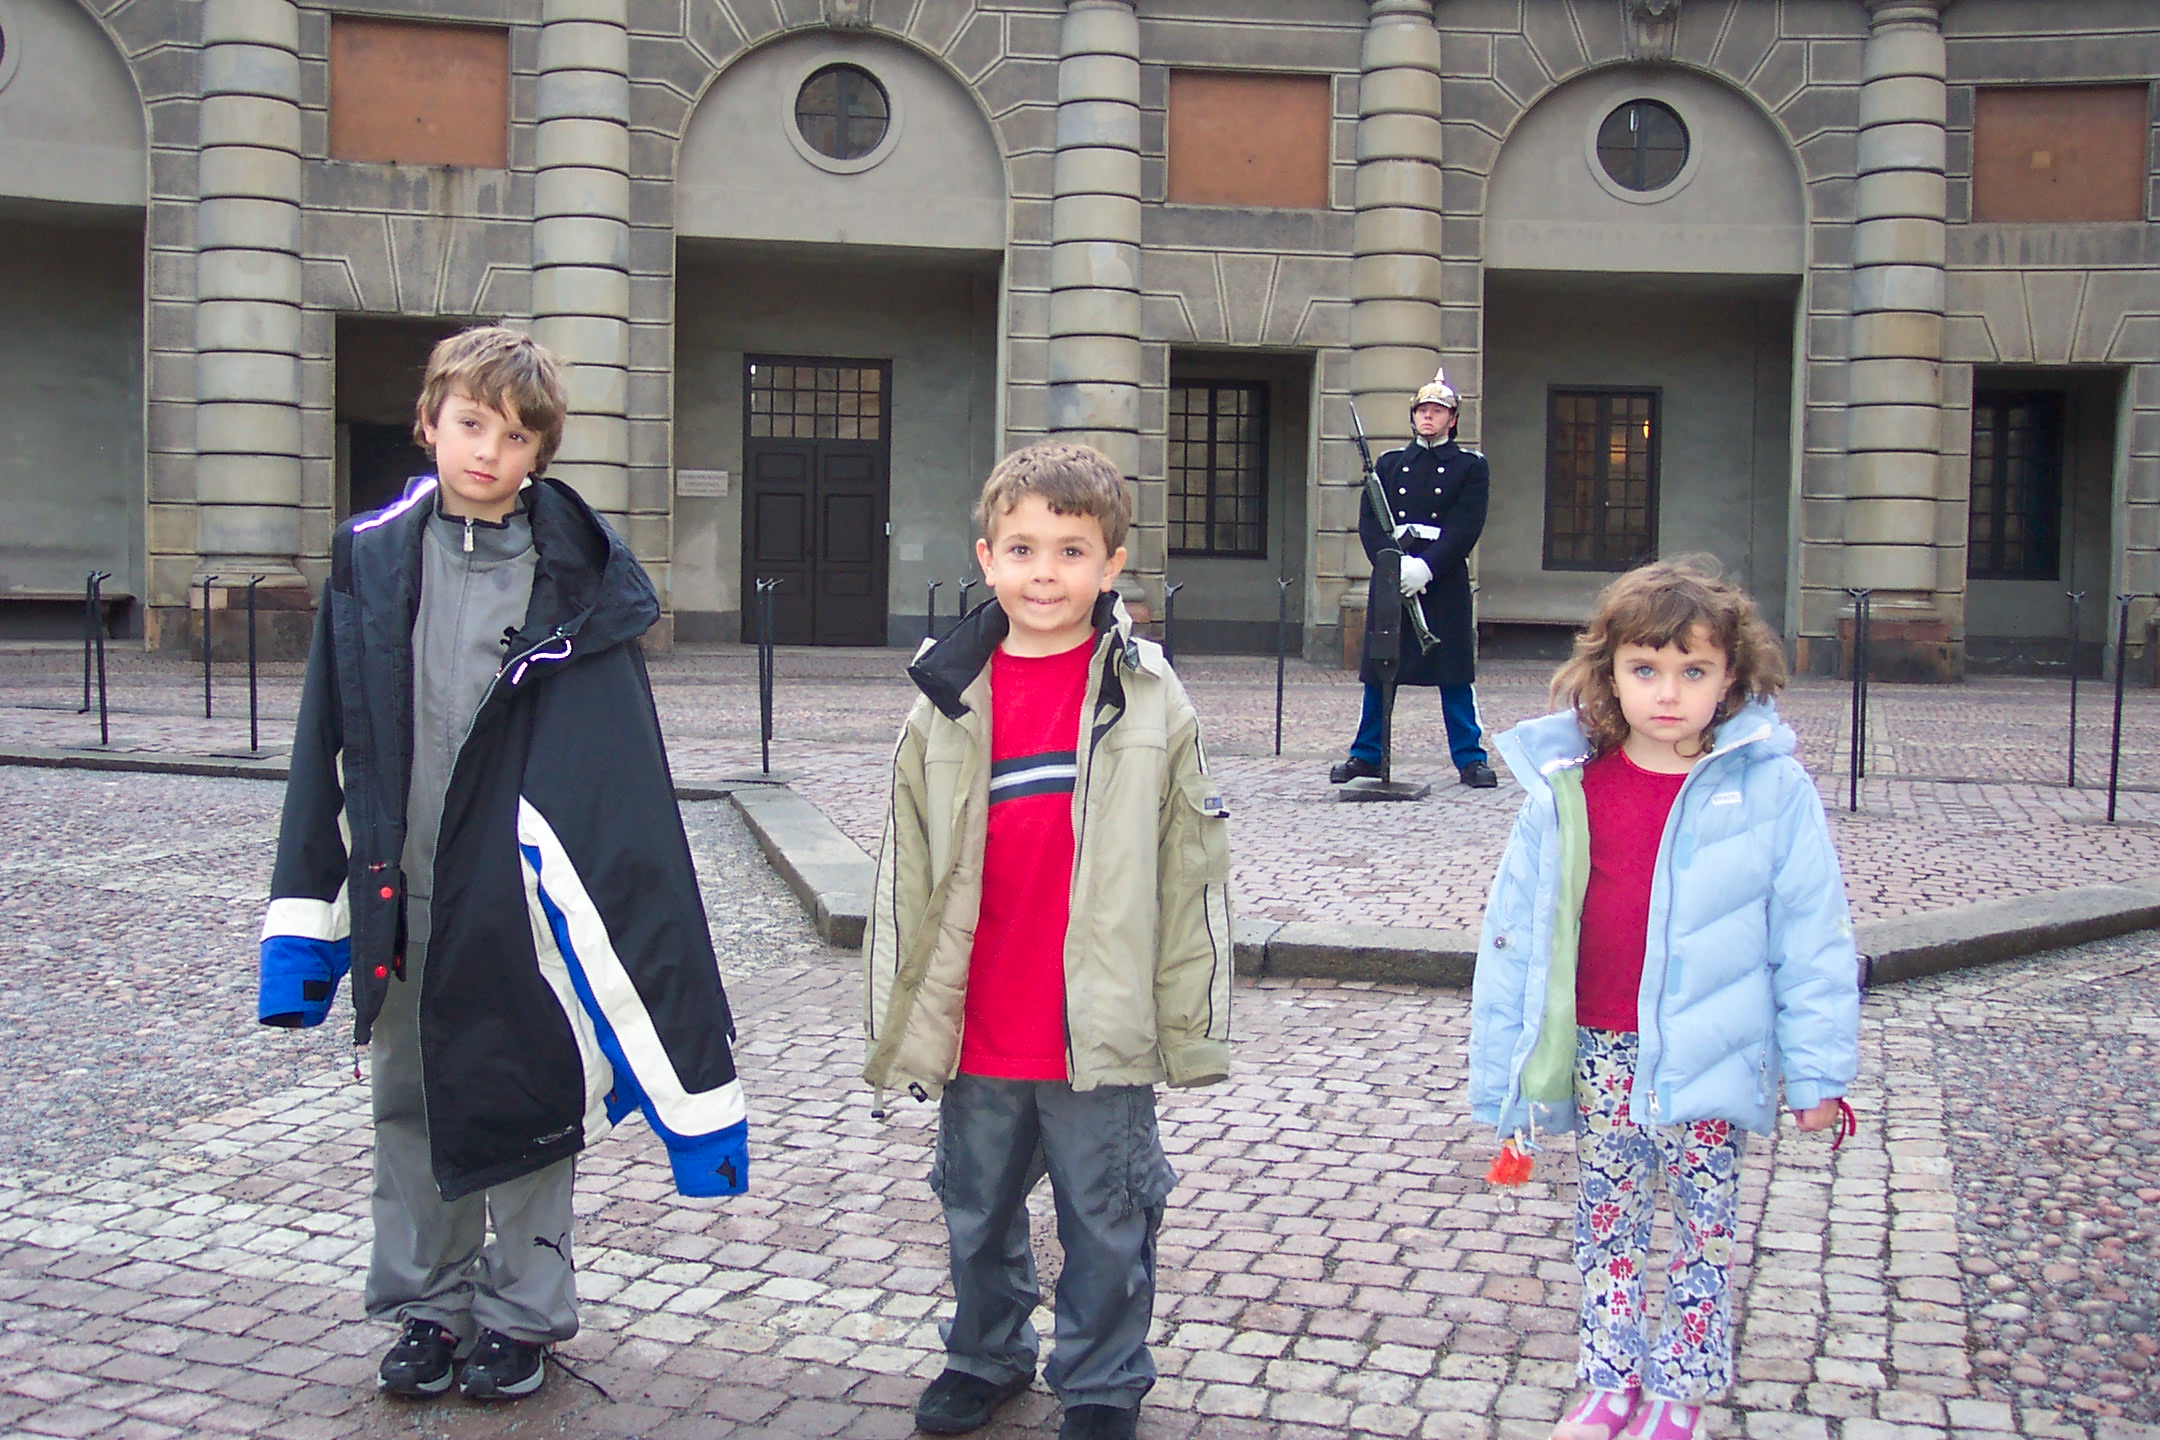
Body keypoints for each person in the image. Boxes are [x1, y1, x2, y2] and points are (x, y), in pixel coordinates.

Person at [257, 326, 748, 1404]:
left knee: (530, 1098)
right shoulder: (373, 560)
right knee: (412, 1100)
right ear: (429, 423)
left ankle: (522, 1315)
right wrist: (305, 926)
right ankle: (426, 1305)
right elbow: (325, 742)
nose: (487, 449)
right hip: (407, 889)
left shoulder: (574, 585)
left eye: (515, 435)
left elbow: (618, 787)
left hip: (523, 900)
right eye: (471, 423)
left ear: (539, 454)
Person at [863, 440, 1234, 1440]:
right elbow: (904, 867)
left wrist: (1187, 1017)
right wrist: (898, 1011)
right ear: (986, 559)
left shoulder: (1149, 695)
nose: (1044, 574)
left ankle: (1104, 1380)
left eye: (1071, 551)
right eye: (1022, 550)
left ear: (1113, 564)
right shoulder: (944, 697)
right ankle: (986, 1353)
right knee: (974, 1208)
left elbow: (1190, 868)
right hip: (979, 1015)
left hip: (1098, 1023)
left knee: (1107, 1215)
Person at [1467, 559, 1859, 1440]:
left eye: (1694, 671)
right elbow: (1516, 939)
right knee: (1607, 1222)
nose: (1669, 693)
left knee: (1701, 1229)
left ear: (1731, 678)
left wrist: (1817, 1073)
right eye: (1646, 670)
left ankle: (1678, 1387)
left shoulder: (1769, 789)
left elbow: (1813, 935)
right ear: (1609, 673)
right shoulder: (1569, 788)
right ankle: (1609, 1378)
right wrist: (1507, 1075)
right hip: (1603, 1047)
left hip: (1709, 1048)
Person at [1330, 367, 1497, 789]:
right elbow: (1370, 522)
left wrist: (1426, 567)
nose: (1428, 417)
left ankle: (1470, 757)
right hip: (1394, 577)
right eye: (1423, 409)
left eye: (1437, 411)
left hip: (1441, 579)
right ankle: (1367, 753)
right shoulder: (1388, 464)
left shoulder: (1469, 466)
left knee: (1454, 671)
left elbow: (1466, 526)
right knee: (1379, 667)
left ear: (1452, 419)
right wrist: (1392, 564)